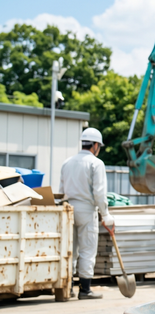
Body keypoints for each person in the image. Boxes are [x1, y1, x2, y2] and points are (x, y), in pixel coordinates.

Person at [61, 127, 114, 300]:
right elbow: (99, 192)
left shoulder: (67, 162)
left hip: (68, 209)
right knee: (87, 250)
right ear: (96, 145)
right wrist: (105, 213)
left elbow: (61, 191)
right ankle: (85, 290)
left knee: (70, 250)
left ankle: (67, 288)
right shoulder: (96, 163)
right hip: (86, 209)